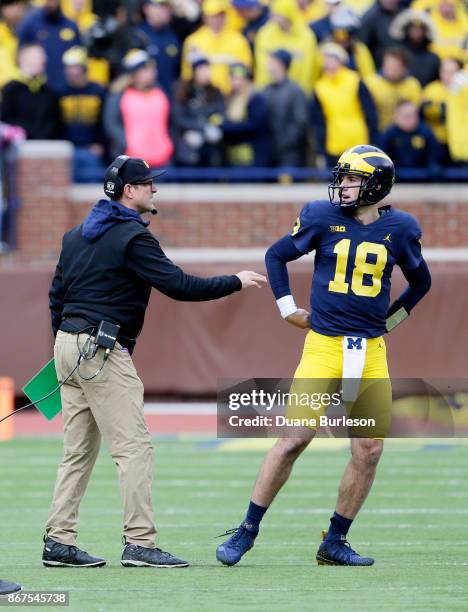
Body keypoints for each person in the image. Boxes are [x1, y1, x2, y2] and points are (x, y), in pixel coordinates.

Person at [43, 155, 267, 568]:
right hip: (101, 351)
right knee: (134, 449)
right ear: (129, 191)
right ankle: (139, 543)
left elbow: (57, 296)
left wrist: (67, 341)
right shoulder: (132, 236)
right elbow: (179, 286)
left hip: (67, 345)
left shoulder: (75, 235)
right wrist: (234, 281)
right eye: (147, 183)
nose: (154, 189)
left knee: (76, 452)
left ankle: (58, 541)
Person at [216, 144, 431, 567]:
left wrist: (388, 322)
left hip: (369, 351)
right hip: (325, 345)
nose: (344, 185)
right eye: (344, 176)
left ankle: (334, 541)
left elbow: (420, 283)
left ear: (377, 185)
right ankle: (247, 529)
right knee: (294, 439)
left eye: (353, 178)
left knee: (368, 449)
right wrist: (286, 308)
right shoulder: (320, 215)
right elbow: (277, 255)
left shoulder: (402, 228)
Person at [311, 43, 378, 167]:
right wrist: (321, 144)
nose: (327, 62)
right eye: (325, 58)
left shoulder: (354, 80)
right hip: (333, 140)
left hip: (357, 136)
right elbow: (318, 119)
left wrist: (372, 136)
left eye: (331, 58)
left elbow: (369, 111)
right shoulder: (320, 86)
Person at [103, 49, 173, 166]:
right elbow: (111, 123)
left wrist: (169, 142)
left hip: (163, 155)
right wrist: (126, 143)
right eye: (147, 69)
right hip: (130, 158)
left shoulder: (159, 92)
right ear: (136, 73)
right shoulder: (119, 94)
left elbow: (169, 120)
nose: (153, 72)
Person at [181, 0, 252, 95]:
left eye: (221, 15)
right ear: (204, 17)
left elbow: (245, 67)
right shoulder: (193, 40)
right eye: (213, 15)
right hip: (204, 94)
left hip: (231, 93)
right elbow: (187, 73)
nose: (217, 19)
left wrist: (238, 77)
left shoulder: (238, 40)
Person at [57, 46, 107, 182]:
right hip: (68, 149)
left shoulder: (98, 91)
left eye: (74, 66)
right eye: (68, 67)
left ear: (84, 68)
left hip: (91, 149)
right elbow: (56, 122)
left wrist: (100, 143)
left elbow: (104, 121)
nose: (71, 71)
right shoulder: (60, 92)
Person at [254, 0, 318, 96]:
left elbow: (308, 68)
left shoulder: (305, 35)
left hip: (297, 92)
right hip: (271, 93)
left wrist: (304, 93)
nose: (273, 17)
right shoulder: (265, 34)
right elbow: (262, 66)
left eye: (278, 14)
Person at [0, 43, 62, 140]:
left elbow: (56, 121)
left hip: (48, 147)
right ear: (23, 59)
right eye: (38, 56)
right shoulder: (10, 89)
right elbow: (5, 120)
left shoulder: (49, 90)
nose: (44, 59)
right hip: (17, 147)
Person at [17, 0, 81, 92]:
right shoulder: (30, 24)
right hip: (37, 87)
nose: (52, 2)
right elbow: (20, 53)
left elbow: (79, 54)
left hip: (65, 87)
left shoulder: (70, 25)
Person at [172, 57, 225, 167]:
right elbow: (179, 118)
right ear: (194, 72)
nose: (207, 73)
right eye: (202, 70)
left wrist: (211, 125)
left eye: (208, 69)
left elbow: (220, 113)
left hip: (210, 146)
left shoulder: (215, 91)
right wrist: (199, 127)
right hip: (188, 144)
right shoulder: (183, 91)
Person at [262, 49, 308, 167]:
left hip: (290, 154)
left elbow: (300, 121)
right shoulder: (267, 90)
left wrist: (285, 143)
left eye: (272, 61)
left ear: (281, 64)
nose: (268, 64)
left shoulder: (295, 91)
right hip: (269, 153)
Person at [221, 62, 270, 167]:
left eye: (240, 79)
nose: (236, 82)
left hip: (252, 155)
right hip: (233, 154)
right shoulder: (229, 98)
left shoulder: (255, 98)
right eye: (233, 78)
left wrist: (224, 127)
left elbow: (253, 125)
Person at [365, 47, 421, 133]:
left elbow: (415, 112)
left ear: (404, 68)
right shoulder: (370, 83)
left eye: (395, 67)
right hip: (379, 131)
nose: (390, 70)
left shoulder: (412, 84)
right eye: (387, 65)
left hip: (405, 131)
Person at [380, 99, 440, 172]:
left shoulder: (426, 133)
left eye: (414, 116)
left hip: (421, 177)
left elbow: (433, 159)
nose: (411, 120)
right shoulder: (388, 135)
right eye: (406, 116)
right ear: (395, 117)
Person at [138, 0, 181, 100]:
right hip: (144, 101)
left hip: (169, 100)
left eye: (167, 6)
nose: (166, 10)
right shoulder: (137, 36)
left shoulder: (173, 36)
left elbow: (177, 73)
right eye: (161, 5)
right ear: (147, 8)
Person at [388, 9, 440, 87]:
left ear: (425, 32)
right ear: (407, 30)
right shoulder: (397, 55)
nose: (416, 32)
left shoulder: (433, 58)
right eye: (413, 28)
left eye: (419, 29)